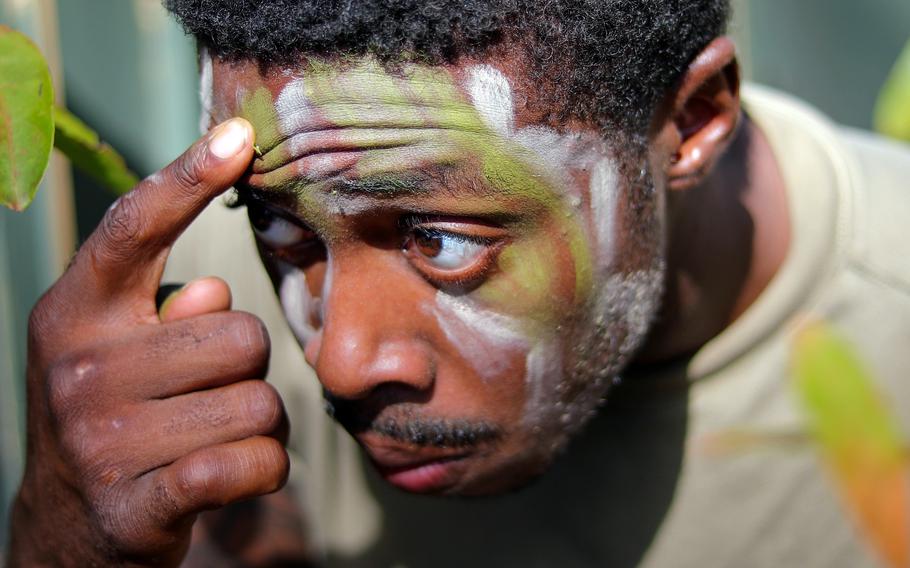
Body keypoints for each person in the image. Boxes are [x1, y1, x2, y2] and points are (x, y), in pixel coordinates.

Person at [7, 0, 910, 566]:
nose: (341, 360)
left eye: (441, 241)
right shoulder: (214, 306)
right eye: (282, 228)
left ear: (693, 120)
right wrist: (61, 536)